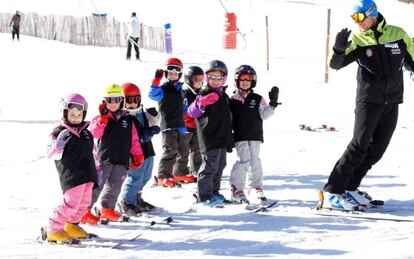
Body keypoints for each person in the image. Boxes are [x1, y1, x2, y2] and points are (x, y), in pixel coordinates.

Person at [322, 0, 414, 210]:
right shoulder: (357, 39)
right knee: (359, 145)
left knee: (377, 150)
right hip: (368, 102)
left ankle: (351, 188)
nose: (357, 23)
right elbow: (335, 65)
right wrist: (338, 49)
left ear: (372, 13)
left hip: (392, 101)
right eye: (354, 18)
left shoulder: (397, 34)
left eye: (359, 17)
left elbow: (412, 58)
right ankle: (333, 192)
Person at [81, 84, 144, 224]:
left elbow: (134, 139)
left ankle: (107, 209)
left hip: (122, 159)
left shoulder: (128, 119)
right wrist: (102, 120)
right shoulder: (100, 118)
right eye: (110, 100)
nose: (113, 103)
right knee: (98, 185)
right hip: (105, 159)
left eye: (117, 99)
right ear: (105, 102)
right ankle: (85, 210)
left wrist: (138, 154)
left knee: (115, 186)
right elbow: (94, 133)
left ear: (121, 100)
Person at [46, 93, 98, 242]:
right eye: (72, 114)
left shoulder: (86, 132)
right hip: (72, 175)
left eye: (79, 114)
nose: (76, 117)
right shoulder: (59, 132)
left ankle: (71, 225)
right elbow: (51, 155)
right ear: (65, 113)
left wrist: (98, 166)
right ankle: (54, 229)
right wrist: (57, 147)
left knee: (84, 203)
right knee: (71, 203)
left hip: (88, 174)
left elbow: (93, 151)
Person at [228, 65, 279, 204]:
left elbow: (265, 115)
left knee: (255, 162)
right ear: (236, 81)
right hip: (240, 137)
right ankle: (236, 188)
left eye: (248, 79)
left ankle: (256, 187)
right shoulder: (232, 100)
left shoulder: (257, 98)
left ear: (253, 81)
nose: (245, 81)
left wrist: (272, 104)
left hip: (255, 136)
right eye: (242, 79)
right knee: (244, 161)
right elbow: (229, 120)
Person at [188, 60, 234, 207]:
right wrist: (202, 103)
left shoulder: (224, 96)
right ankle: (204, 195)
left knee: (220, 165)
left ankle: (214, 192)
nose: (215, 81)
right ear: (207, 78)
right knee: (210, 166)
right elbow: (192, 111)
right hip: (209, 138)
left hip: (222, 137)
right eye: (212, 77)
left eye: (219, 77)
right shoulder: (204, 93)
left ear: (224, 79)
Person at [117, 82, 161, 216]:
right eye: (128, 100)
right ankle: (126, 202)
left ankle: (137, 198)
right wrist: (144, 135)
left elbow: (154, 122)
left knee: (146, 176)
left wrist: (154, 116)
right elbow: (126, 136)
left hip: (147, 150)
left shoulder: (142, 112)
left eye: (135, 100)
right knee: (135, 177)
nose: (132, 103)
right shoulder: (123, 117)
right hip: (133, 153)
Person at [149, 57, 192, 187]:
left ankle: (180, 173)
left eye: (176, 73)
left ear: (180, 74)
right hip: (168, 125)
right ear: (166, 74)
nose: (173, 75)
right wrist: (156, 80)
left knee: (184, 150)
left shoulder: (180, 90)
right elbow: (152, 94)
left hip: (181, 125)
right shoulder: (163, 89)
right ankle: (163, 176)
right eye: (170, 72)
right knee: (170, 150)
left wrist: (190, 112)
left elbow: (184, 108)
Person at [181, 66, 204, 179]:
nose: (199, 82)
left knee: (197, 149)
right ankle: (178, 171)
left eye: (201, 79)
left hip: (197, 127)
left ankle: (197, 170)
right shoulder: (185, 94)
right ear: (189, 79)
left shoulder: (201, 93)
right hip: (185, 127)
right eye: (196, 79)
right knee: (183, 150)